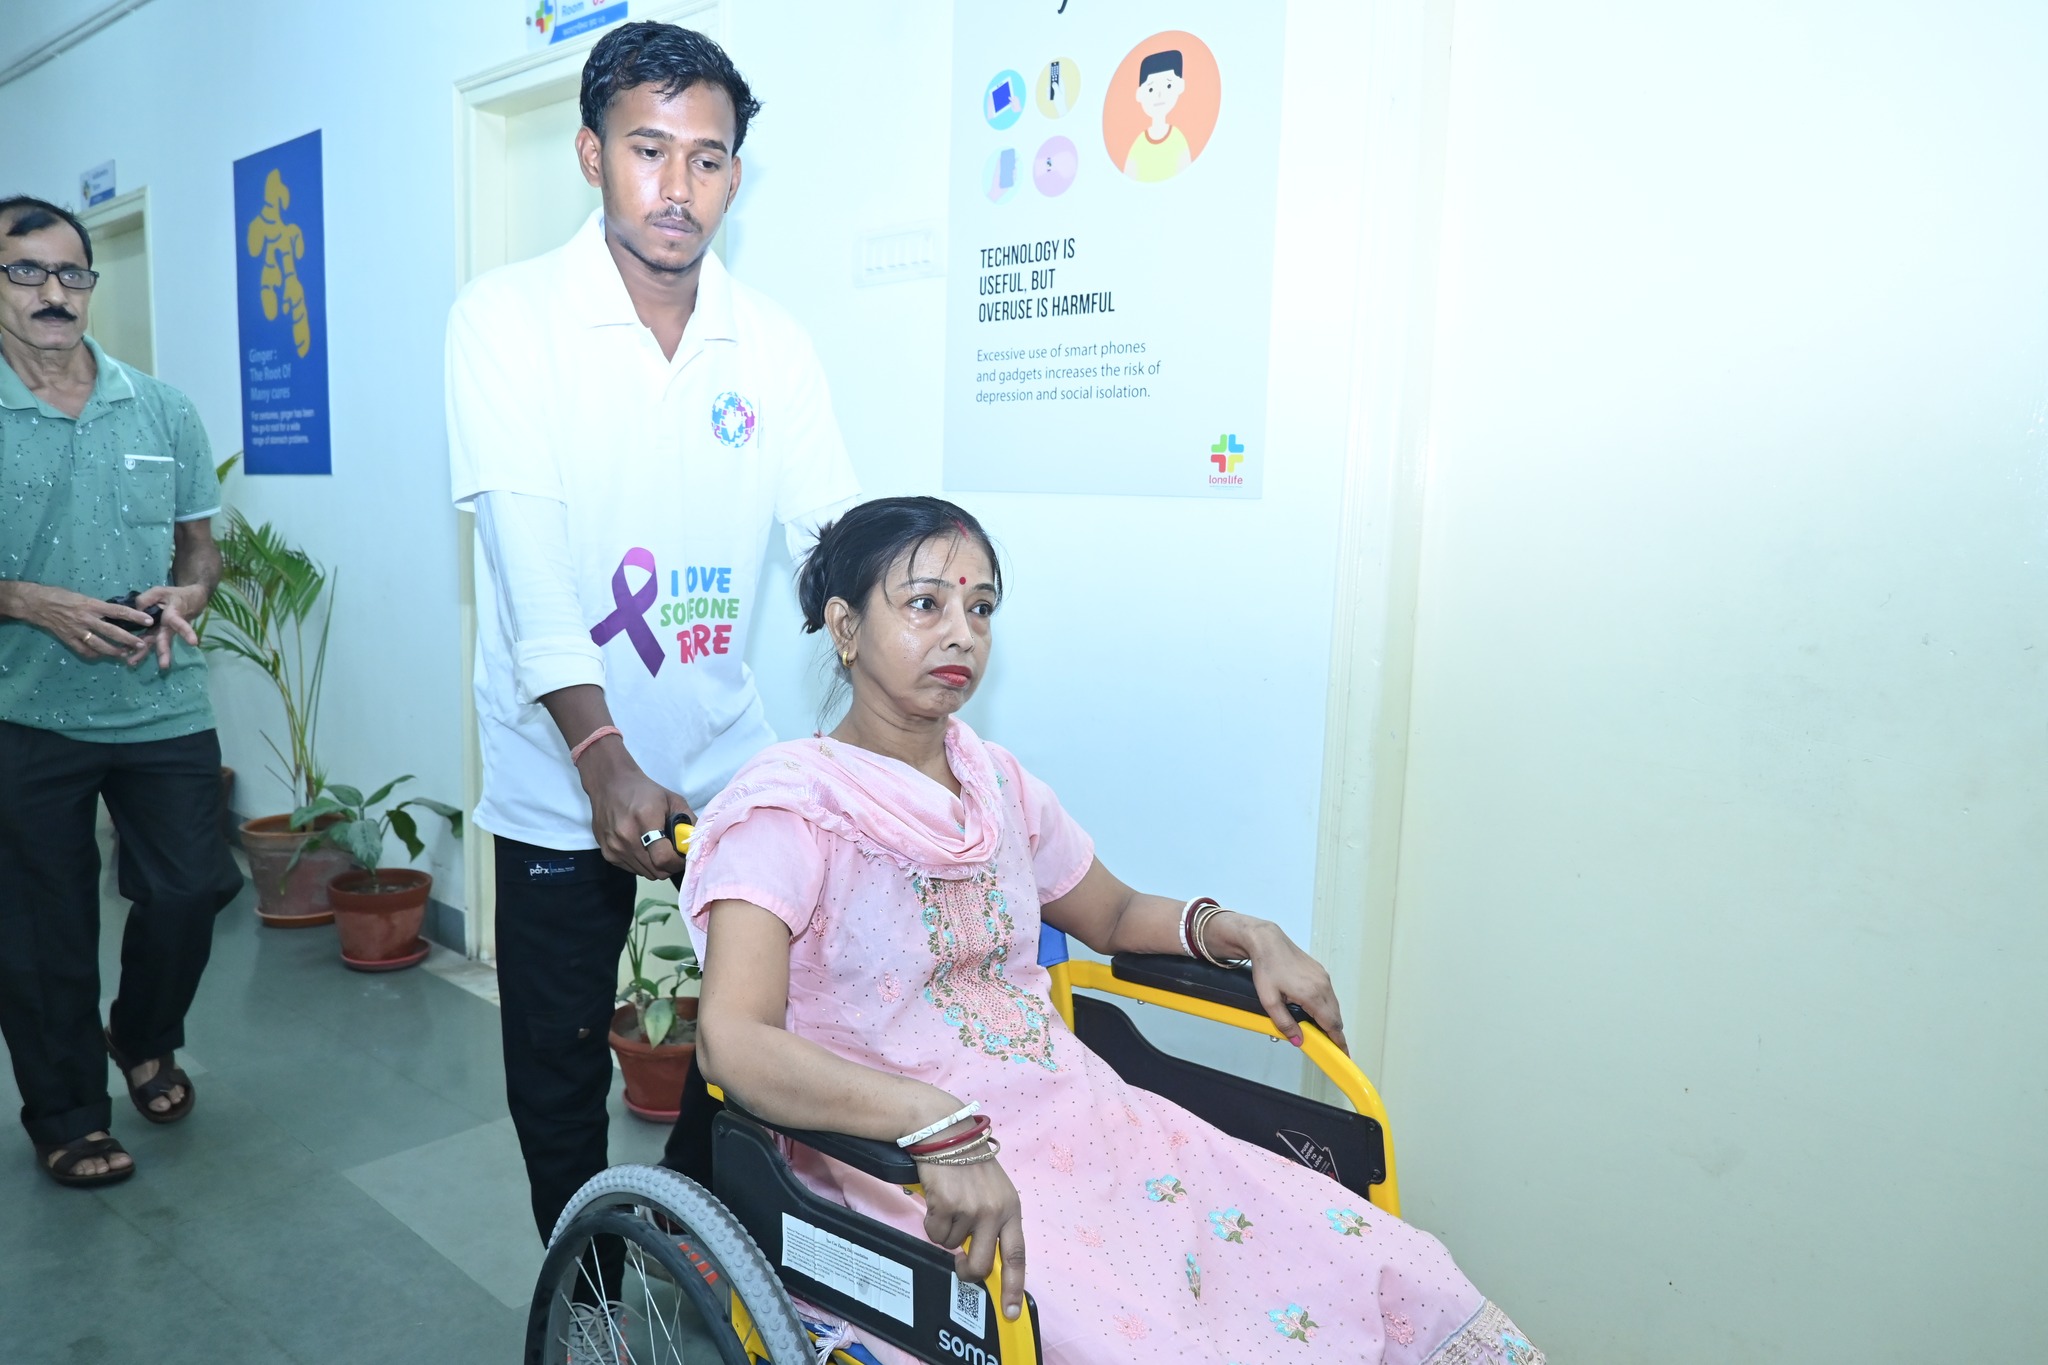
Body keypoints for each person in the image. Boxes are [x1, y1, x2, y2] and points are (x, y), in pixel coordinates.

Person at [687, 497, 1546, 1365]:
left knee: (1380, 1262)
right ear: (844, 626)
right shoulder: (790, 808)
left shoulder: (996, 783)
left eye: (981, 607)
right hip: (904, 1165)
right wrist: (934, 1123)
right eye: (925, 604)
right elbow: (731, 1041)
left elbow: (1112, 915)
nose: (962, 633)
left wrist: (1241, 930)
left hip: (1084, 1121)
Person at [444, 21, 860, 1247]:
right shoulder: (505, 319)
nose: (678, 188)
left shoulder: (770, 342)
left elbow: (830, 543)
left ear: (738, 173)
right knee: (562, 1063)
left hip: (725, 761)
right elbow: (528, 569)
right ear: (590, 154)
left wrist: (897, 629)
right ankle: (584, 1275)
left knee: (756, 1032)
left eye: (709, 159)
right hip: (560, 771)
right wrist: (598, 756)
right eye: (648, 150)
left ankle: (674, 1227)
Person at [0, 196, 242, 1188]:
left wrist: (189, 591)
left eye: (72, 274)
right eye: (27, 272)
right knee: (43, 925)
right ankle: (65, 1114)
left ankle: (141, 1031)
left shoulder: (162, 408)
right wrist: (24, 600)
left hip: (159, 696)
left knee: (194, 887)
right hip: (26, 711)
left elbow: (200, 547)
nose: (55, 294)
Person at [1123, 49, 1194, 183]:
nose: (1159, 95)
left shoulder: (1178, 139)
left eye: (1168, 86)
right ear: (1139, 94)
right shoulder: (1138, 144)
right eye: (1151, 89)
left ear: (1179, 87)